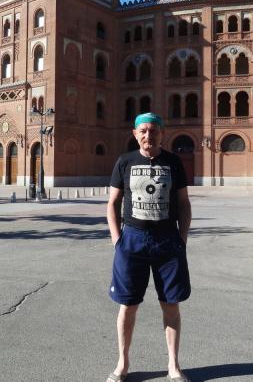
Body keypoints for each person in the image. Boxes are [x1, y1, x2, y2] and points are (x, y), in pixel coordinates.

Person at [106, 112, 192, 382]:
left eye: (153, 130)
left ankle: (173, 366)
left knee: (171, 304)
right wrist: (117, 240)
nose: (148, 135)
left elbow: (184, 203)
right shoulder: (125, 162)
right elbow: (112, 203)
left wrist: (182, 238)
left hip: (167, 240)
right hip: (132, 240)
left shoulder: (174, 162)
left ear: (161, 133)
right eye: (142, 130)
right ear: (135, 134)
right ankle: (123, 364)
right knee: (128, 305)